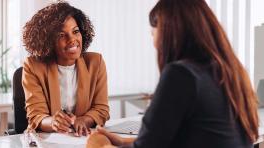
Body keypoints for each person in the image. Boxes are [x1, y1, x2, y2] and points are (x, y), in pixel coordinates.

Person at [87, 0, 259, 147]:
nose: (153, 41)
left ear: (169, 31)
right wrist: (124, 142)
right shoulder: (232, 73)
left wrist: (99, 144)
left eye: (153, 32)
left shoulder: (181, 75)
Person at [22, 1, 109, 136]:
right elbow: (36, 116)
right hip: (47, 140)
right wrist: (53, 122)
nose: (72, 39)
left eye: (75, 31)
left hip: (82, 139)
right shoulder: (33, 66)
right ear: (48, 41)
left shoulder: (95, 63)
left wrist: (83, 120)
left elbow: (101, 109)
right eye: (61, 35)